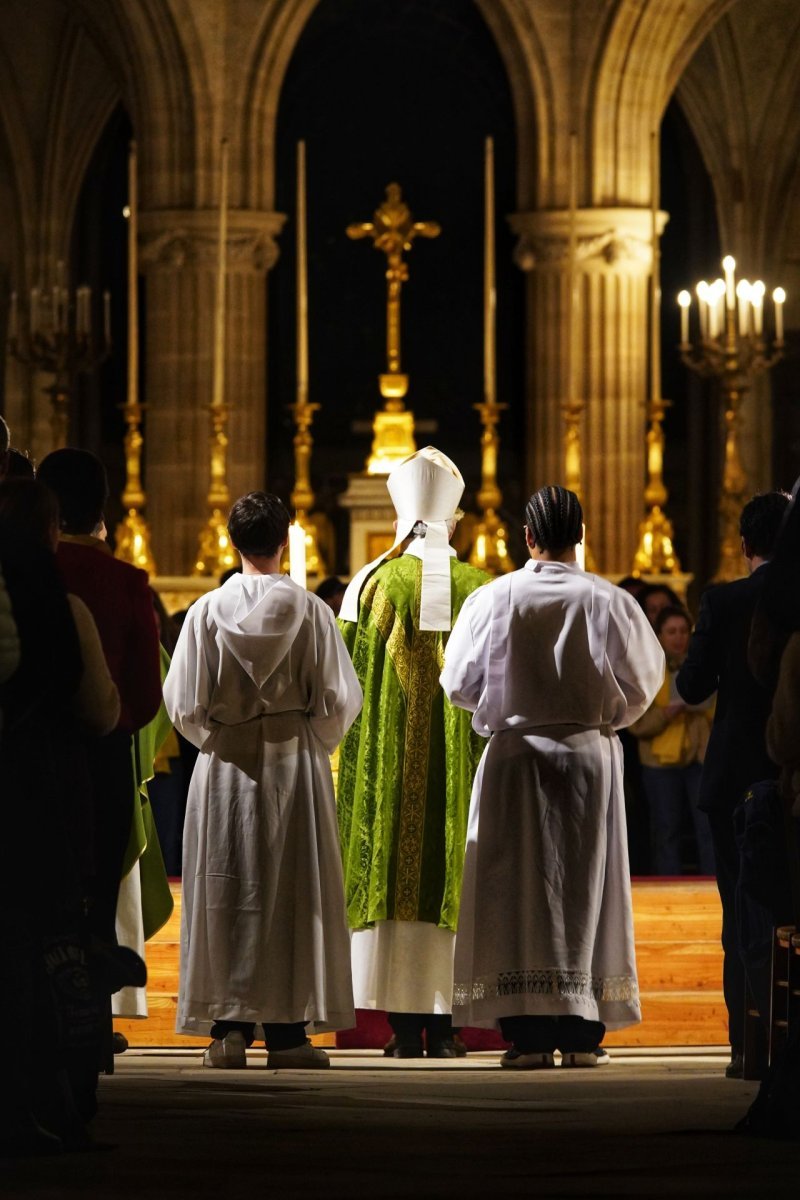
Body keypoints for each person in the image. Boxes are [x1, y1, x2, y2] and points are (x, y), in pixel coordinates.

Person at [441, 485, 664, 1068]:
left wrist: (506, 705)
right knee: (585, 891)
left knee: (517, 895)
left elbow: (457, 683)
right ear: (580, 535)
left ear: (527, 537)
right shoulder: (609, 600)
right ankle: (582, 1034)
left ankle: (530, 1037)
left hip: (516, 757)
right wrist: (601, 720)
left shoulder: (495, 598)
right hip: (588, 756)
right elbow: (644, 683)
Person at [163, 491, 361, 1069]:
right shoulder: (312, 612)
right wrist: (307, 740)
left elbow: (183, 703)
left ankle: (227, 1033)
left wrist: (221, 737)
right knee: (291, 893)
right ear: (285, 540)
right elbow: (339, 700)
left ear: (232, 542)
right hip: (292, 762)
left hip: (226, 765)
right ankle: (287, 1036)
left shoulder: (205, 612)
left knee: (227, 893)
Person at [336, 446, 489, 1058]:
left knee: (400, 874)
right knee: (452, 872)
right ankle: (447, 1030)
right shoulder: (483, 587)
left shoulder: (373, 585)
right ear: (454, 521)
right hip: (464, 770)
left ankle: (403, 1030)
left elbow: (345, 684)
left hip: (391, 772)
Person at [676, 490, 791, 1079]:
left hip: (732, 777)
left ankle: (745, 1046)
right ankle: (788, 1043)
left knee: (737, 910)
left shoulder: (723, 600)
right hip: (788, 774)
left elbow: (692, 687)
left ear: (744, 544)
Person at [630, 605, 715, 875]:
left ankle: (713, 886)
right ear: (659, 635)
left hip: (699, 756)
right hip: (659, 762)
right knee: (667, 829)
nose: (679, 637)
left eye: (683, 631)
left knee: (708, 828)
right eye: (671, 632)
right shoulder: (646, 669)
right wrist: (667, 713)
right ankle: (668, 885)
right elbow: (635, 720)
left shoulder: (703, 665)